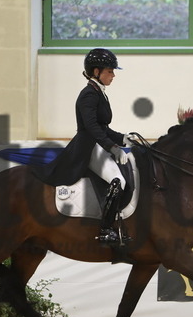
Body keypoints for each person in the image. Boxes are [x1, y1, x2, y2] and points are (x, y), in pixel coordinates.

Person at [41, 48, 134, 245]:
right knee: (118, 181)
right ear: (96, 72)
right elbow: (91, 127)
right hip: (88, 148)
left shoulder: (98, 92)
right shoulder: (89, 95)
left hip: (96, 144)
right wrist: (113, 147)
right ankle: (106, 230)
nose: (113, 75)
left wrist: (124, 138)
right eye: (110, 71)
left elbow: (103, 127)